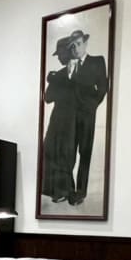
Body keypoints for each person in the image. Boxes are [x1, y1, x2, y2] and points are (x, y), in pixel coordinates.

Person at [64, 29, 108, 206]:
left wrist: (91, 106)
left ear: (85, 43)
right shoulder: (68, 65)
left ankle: (80, 192)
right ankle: (69, 190)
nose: (75, 48)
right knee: (68, 153)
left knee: (85, 153)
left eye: (78, 44)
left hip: (87, 116)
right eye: (72, 46)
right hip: (69, 117)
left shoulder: (97, 61)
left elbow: (103, 87)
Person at [40, 35, 77, 203]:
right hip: (57, 119)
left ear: (69, 51)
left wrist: (57, 81)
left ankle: (65, 190)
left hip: (72, 119)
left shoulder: (80, 72)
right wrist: (55, 81)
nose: (59, 57)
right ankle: (53, 190)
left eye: (61, 53)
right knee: (49, 149)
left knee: (66, 154)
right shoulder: (59, 75)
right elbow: (48, 98)